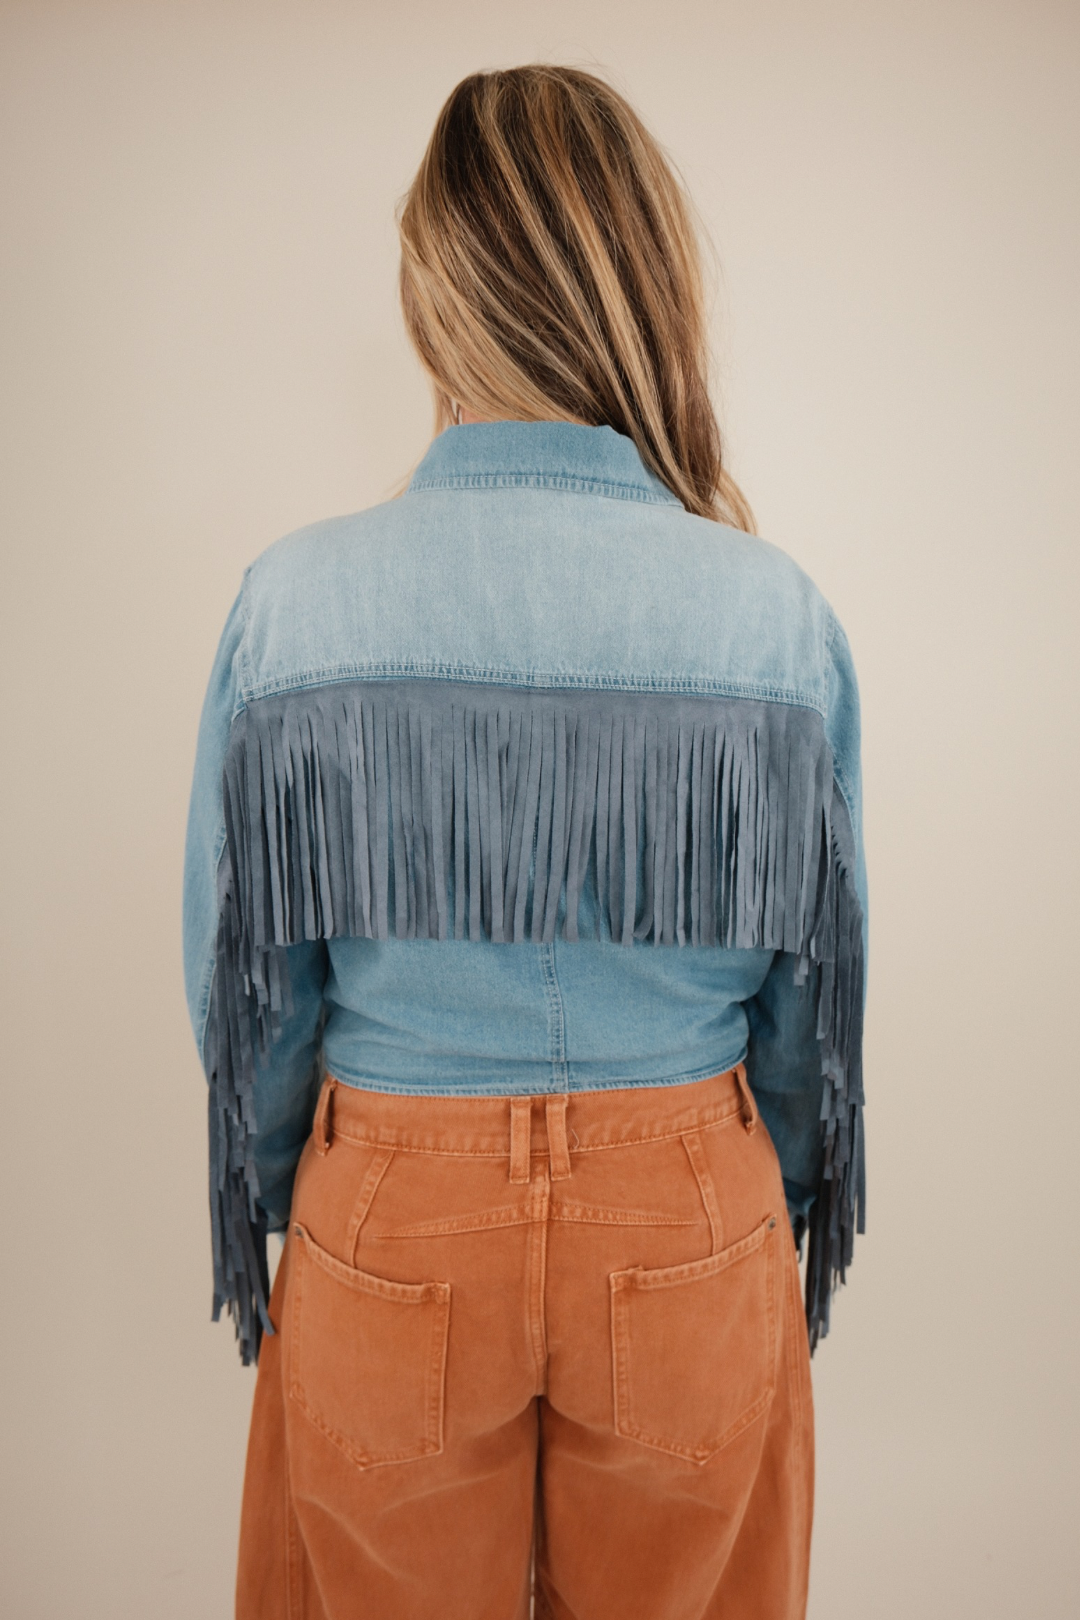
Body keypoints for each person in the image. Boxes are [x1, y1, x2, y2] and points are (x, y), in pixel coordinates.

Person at [183, 63, 867, 1620]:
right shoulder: (773, 613)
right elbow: (811, 1011)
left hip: (392, 1202)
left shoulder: (295, 603)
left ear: (439, 299)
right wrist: (748, 1192)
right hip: (688, 1196)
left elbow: (252, 1002)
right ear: (648, 282)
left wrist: (310, 1190)